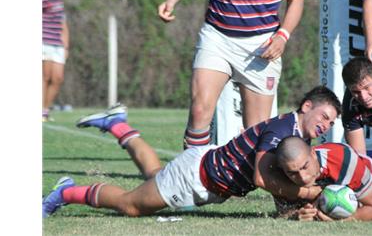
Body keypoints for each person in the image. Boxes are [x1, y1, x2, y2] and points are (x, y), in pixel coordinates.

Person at [42, 86, 341, 218]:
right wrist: (306, 195)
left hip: (201, 168)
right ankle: (64, 192)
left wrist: (293, 212)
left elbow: (276, 181)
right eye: (324, 116)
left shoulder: (295, 135)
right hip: (196, 178)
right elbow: (262, 179)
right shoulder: (282, 130)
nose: (326, 125)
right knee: (130, 205)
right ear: (306, 107)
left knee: (156, 176)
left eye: (332, 122)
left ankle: (117, 125)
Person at [157, 0, 304, 148]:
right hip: (217, 37)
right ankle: (192, 173)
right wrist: (171, 0)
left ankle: (244, 178)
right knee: (200, 110)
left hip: (262, 45)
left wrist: (282, 36)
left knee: (256, 133)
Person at [42, 0, 70, 122]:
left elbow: (61, 18)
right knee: (45, 76)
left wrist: (66, 43)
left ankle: (45, 109)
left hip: (57, 39)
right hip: (43, 38)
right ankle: (40, 111)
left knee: (58, 78)